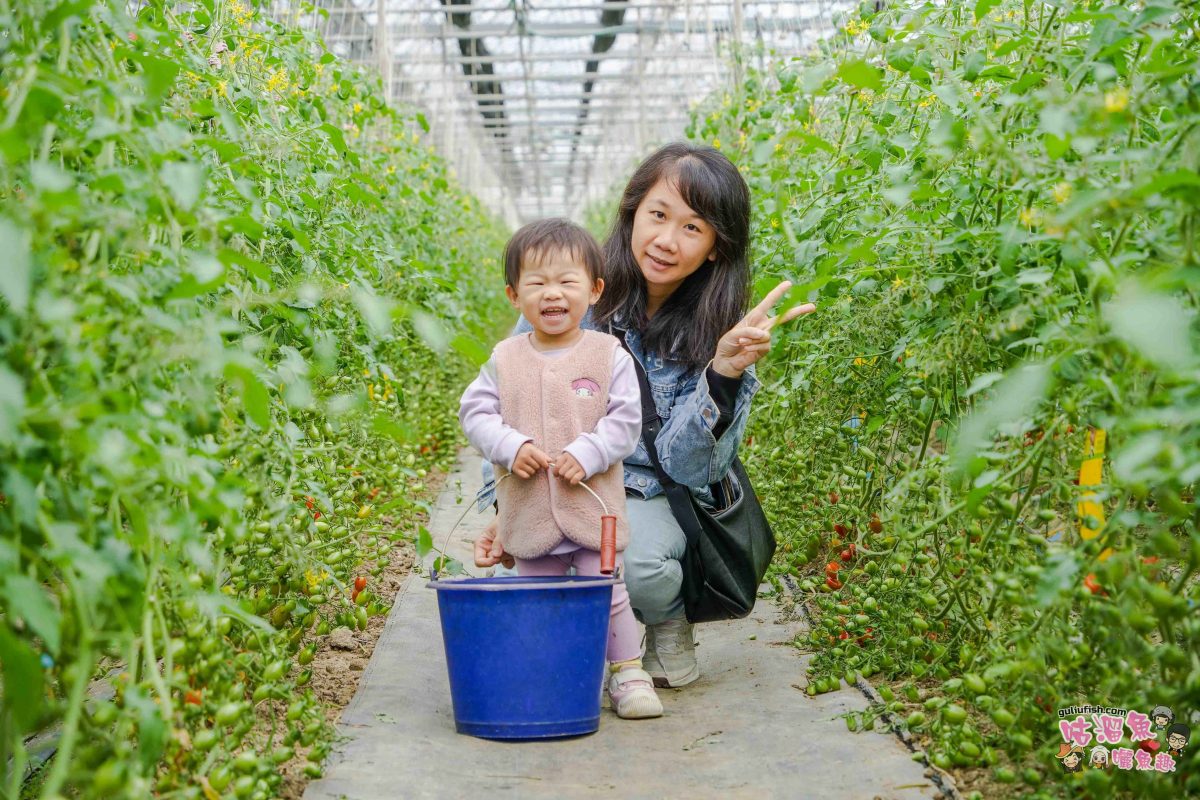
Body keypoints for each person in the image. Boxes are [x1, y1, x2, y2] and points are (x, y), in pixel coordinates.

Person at [473, 142, 815, 689]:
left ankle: (665, 615)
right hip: (564, 478)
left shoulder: (717, 330)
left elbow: (686, 468)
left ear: (714, 249)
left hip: (655, 492)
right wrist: (503, 507)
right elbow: (509, 406)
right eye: (658, 215)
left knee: (632, 562)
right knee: (540, 561)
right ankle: (602, 632)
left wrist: (722, 372)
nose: (665, 240)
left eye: (692, 228)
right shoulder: (572, 288)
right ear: (633, 212)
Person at [458, 217, 664, 720]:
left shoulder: (607, 354)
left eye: (567, 281)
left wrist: (589, 452)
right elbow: (474, 413)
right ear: (514, 295)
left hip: (594, 510)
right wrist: (509, 445)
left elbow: (625, 420)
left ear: (594, 290)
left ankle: (627, 672)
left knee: (608, 592)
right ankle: (553, 671)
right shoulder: (505, 358)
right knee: (538, 595)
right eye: (537, 282)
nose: (553, 294)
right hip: (529, 512)